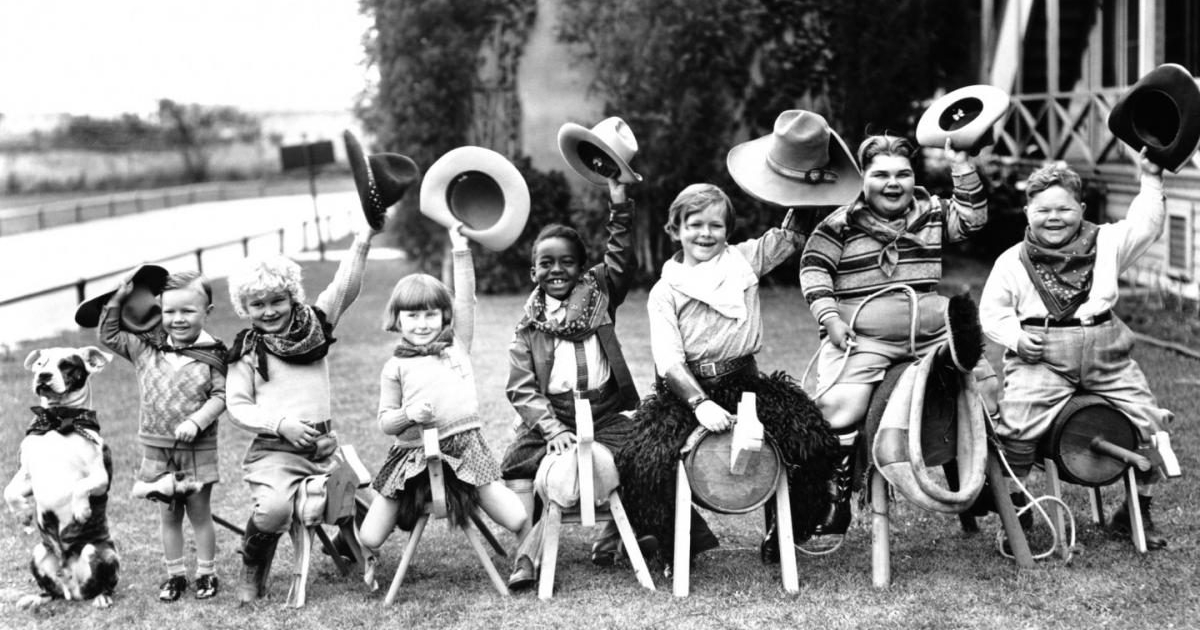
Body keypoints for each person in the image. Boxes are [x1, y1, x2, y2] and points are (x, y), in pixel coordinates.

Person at [616, 183, 836, 566]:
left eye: (715, 226)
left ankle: (784, 533)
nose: (705, 233)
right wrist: (699, 403)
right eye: (694, 224)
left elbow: (792, 236)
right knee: (641, 460)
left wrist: (804, 180)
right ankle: (676, 545)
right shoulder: (663, 290)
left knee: (813, 441)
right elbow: (669, 360)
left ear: (727, 230)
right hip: (688, 393)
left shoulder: (743, 261)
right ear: (674, 229)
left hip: (745, 384)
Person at [798, 134, 997, 552]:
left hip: (929, 330)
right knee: (840, 406)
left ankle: (986, 479)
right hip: (864, 335)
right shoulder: (838, 224)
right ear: (862, 179)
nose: (893, 183)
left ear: (914, 177)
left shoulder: (931, 212)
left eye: (903, 174)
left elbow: (974, 220)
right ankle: (835, 497)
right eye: (881, 174)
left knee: (984, 387)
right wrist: (830, 318)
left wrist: (961, 162)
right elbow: (814, 271)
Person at [978, 151, 1175, 549]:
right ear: (1026, 211)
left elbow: (1146, 225)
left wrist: (1151, 177)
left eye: (1064, 209)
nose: (1054, 218)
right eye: (1043, 210)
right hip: (1042, 357)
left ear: (1081, 208)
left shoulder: (1106, 241)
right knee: (1015, 426)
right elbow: (992, 312)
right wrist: (1016, 338)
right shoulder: (1012, 262)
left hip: (1106, 353)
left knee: (1153, 424)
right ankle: (1016, 509)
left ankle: (1136, 509)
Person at [358, 222, 526, 589]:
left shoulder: (457, 347)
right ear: (397, 319)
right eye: (412, 316)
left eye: (430, 314)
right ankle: (364, 556)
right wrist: (409, 415)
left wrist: (460, 248)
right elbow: (386, 422)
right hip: (414, 459)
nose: (422, 324)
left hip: (466, 450)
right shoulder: (395, 366)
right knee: (370, 535)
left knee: (516, 515)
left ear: (444, 316)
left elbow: (466, 299)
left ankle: (529, 560)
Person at [500, 178, 649, 590]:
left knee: (647, 452)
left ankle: (617, 534)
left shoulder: (601, 292)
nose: (556, 270)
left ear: (583, 268)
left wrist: (619, 200)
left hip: (603, 411)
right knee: (515, 462)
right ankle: (527, 555)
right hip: (554, 416)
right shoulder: (528, 324)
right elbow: (521, 388)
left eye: (566, 262)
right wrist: (552, 430)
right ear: (533, 271)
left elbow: (621, 258)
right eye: (545, 263)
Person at [224, 220, 377, 605]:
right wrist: (281, 424)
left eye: (277, 300)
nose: (269, 310)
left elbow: (345, 288)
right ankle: (253, 567)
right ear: (245, 308)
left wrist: (363, 238)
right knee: (275, 511)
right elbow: (237, 406)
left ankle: (345, 539)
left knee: (375, 509)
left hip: (324, 448)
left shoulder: (315, 326)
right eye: (257, 304)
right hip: (275, 451)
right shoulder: (246, 350)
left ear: (293, 296)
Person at [99, 269, 227, 601]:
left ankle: (206, 574)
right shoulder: (146, 349)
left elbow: (221, 396)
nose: (178, 319)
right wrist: (116, 301)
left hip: (197, 448)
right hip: (158, 450)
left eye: (188, 311)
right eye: (169, 311)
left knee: (199, 514)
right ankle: (175, 576)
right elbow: (109, 335)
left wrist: (198, 421)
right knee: (169, 515)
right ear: (159, 311)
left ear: (207, 312)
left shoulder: (213, 353)